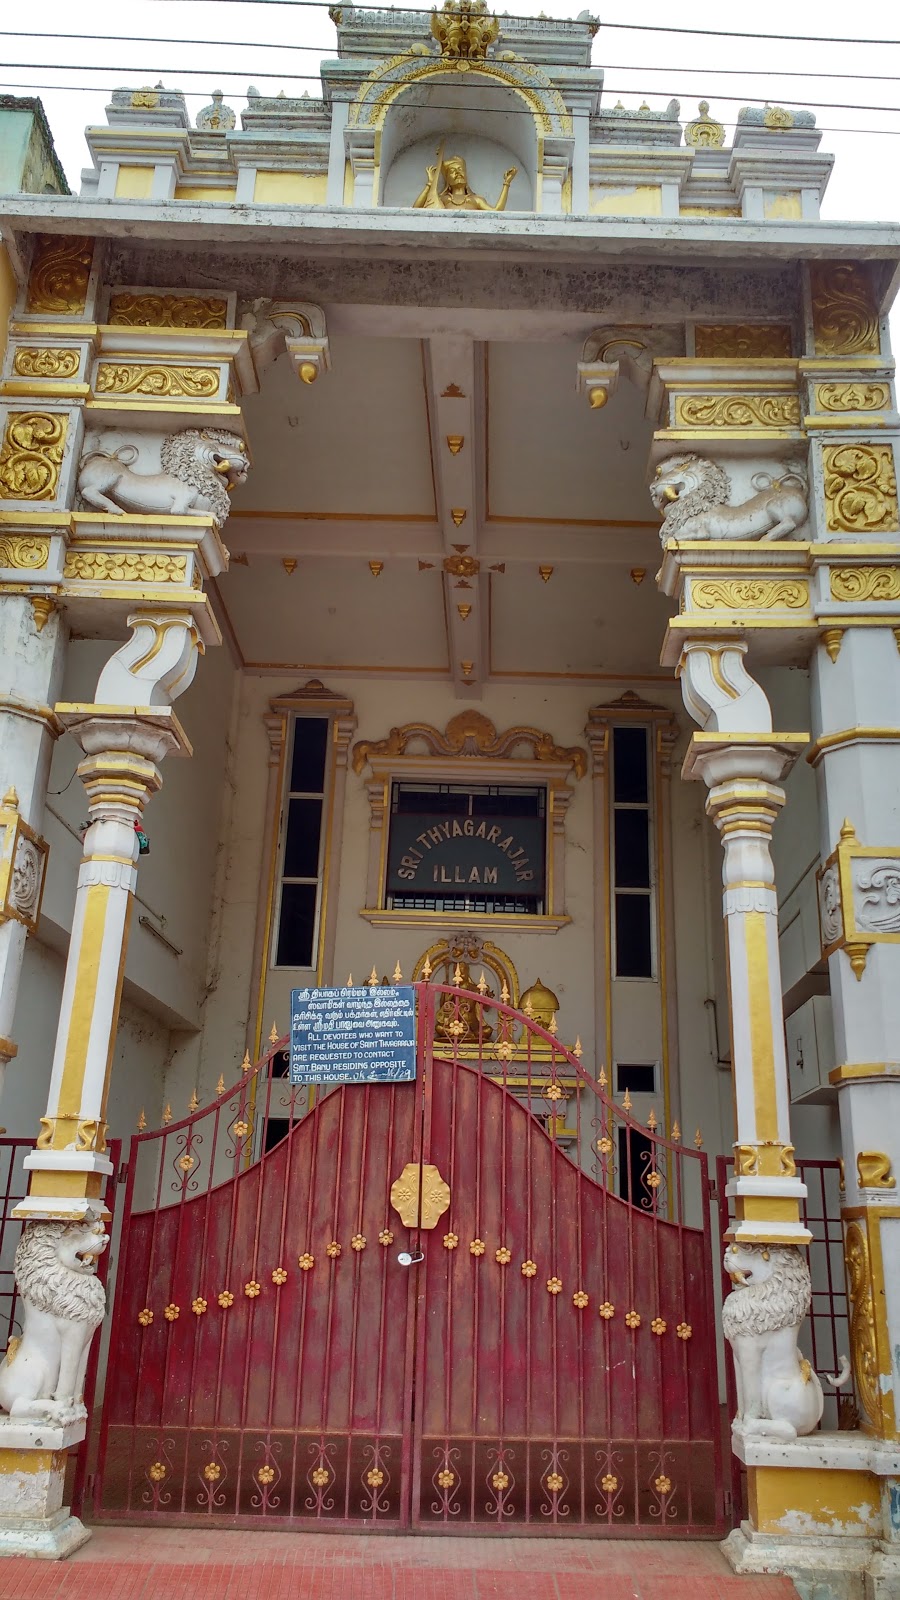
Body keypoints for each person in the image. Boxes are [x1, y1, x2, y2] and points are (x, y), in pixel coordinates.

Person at [413, 151, 517, 211]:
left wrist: (507, 183)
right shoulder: (443, 199)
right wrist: (430, 183)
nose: (458, 173)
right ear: (447, 180)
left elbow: (497, 211)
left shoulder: (476, 200)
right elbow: (416, 210)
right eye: (452, 171)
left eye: (460, 169)